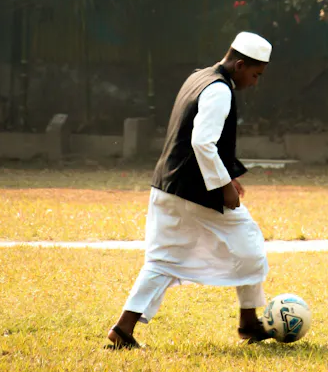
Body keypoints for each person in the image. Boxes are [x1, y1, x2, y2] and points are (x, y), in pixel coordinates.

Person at [106, 31, 273, 349]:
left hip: (168, 185)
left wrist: (228, 173)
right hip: (195, 192)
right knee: (249, 242)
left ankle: (122, 330)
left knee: (162, 260)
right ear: (239, 65)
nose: (256, 82)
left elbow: (190, 136)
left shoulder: (199, 78)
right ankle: (249, 323)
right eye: (255, 74)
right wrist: (224, 186)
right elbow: (201, 141)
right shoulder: (220, 91)